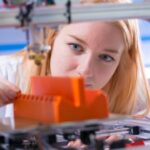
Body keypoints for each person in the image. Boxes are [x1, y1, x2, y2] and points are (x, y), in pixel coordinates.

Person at [0, 0, 150, 119]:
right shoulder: (6, 75)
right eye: (75, 47)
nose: (85, 70)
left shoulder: (135, 96)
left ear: (120, 63)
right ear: (51, 39)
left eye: (106, 57)